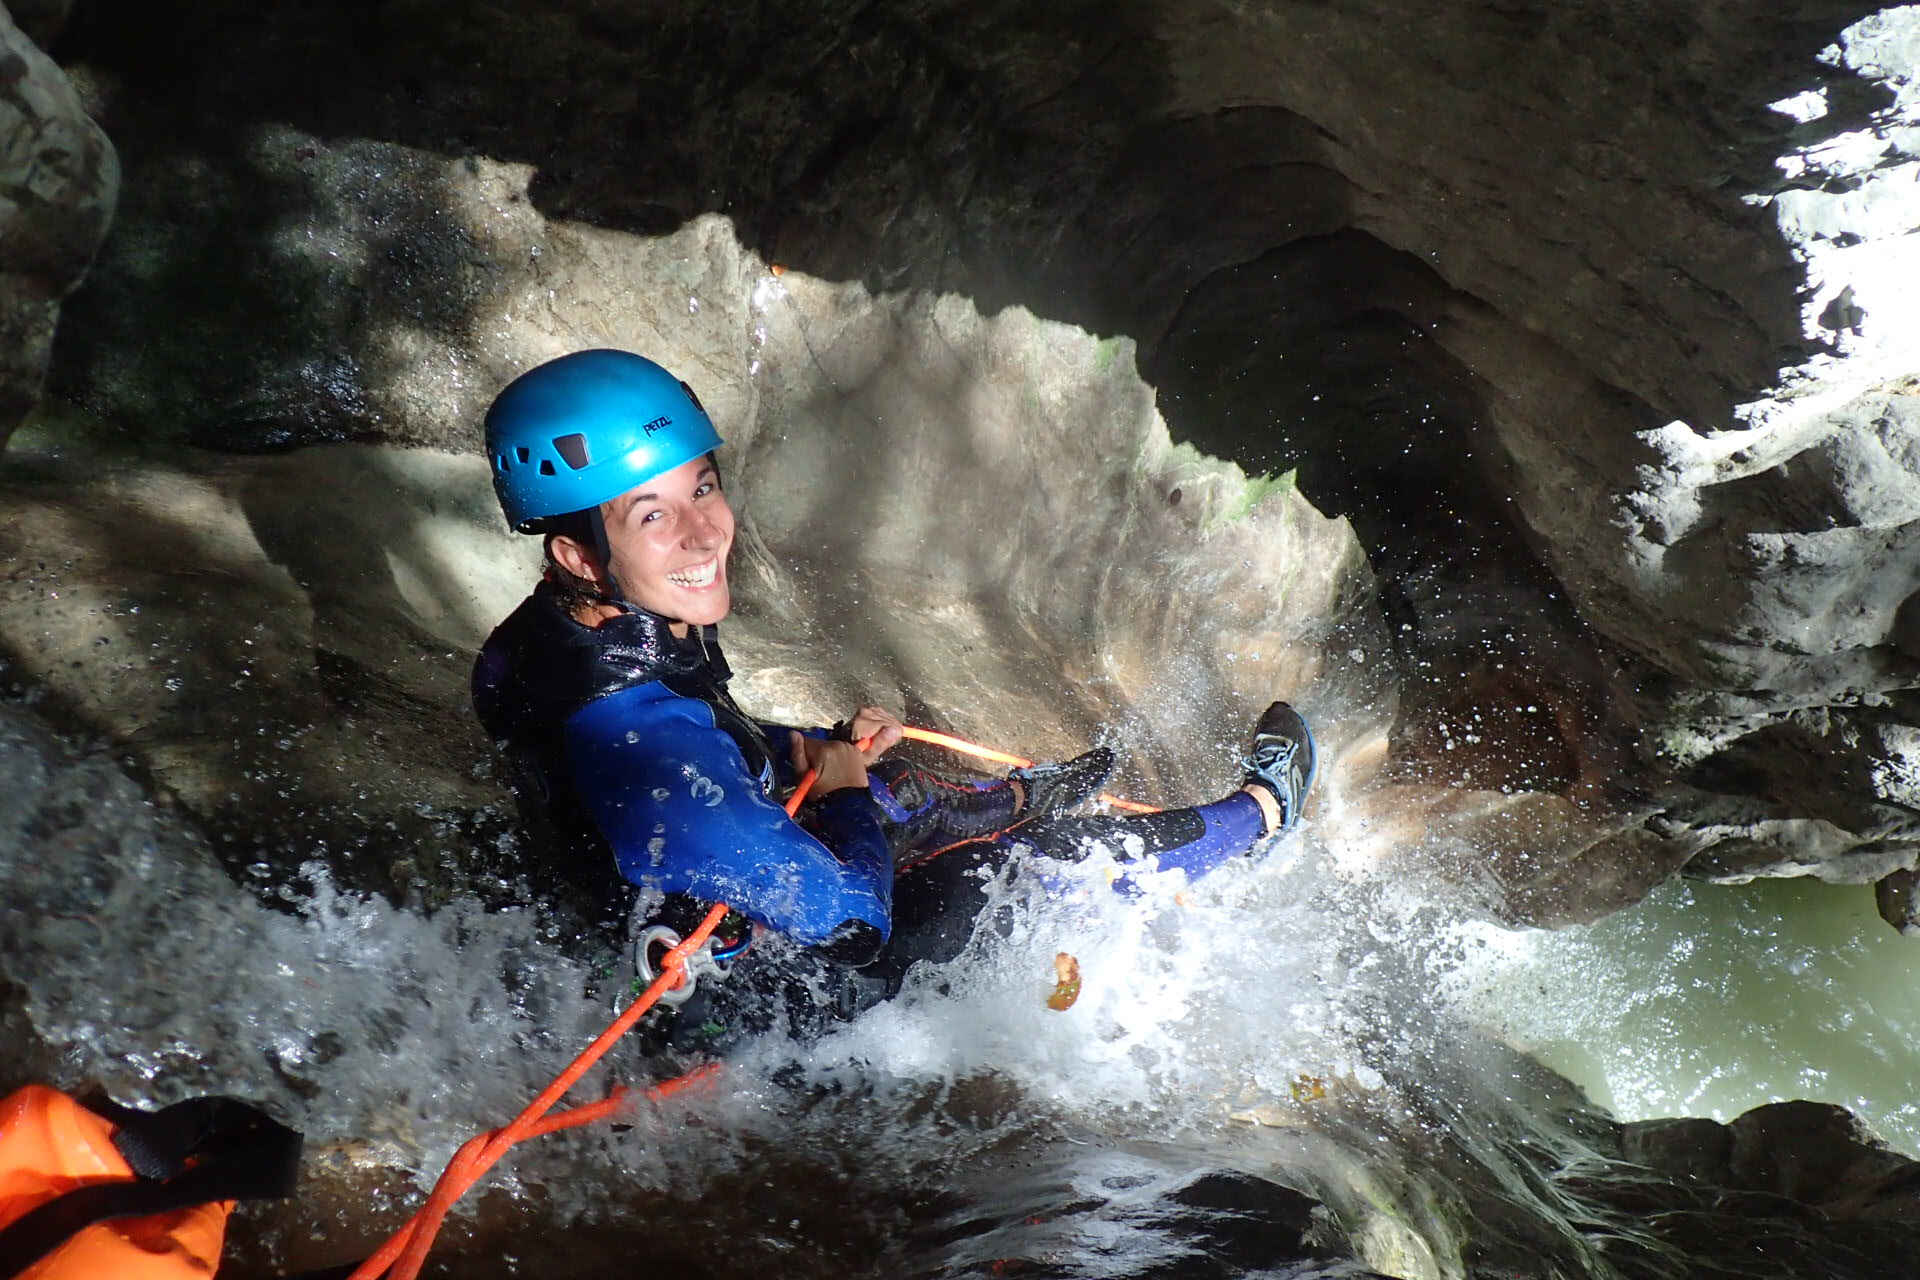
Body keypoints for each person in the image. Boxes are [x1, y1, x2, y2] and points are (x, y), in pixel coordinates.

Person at [471, 349, 1317, 1054]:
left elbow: (690, 731)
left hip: (665, 944)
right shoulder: (636, 743)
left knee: (901, 792)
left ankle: (1037, 791)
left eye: (702, 488)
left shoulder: (565, 635)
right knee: (1023, 871)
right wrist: (836, 788)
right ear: (579, 556)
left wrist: (814, 746)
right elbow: (850, 924)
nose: (702, 533)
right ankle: (1261, 818)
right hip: (756, 1025)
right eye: (651, 516)